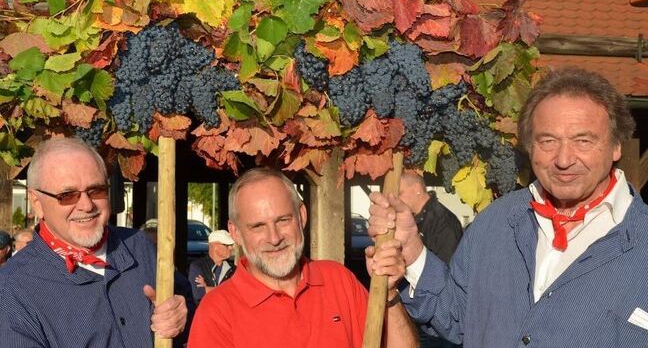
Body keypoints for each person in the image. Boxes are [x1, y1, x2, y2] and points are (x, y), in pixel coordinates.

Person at [368, 68, 648, 347]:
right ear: (530, 146)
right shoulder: (495, 224)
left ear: (616, 145)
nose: (564, 159)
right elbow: (456, 316)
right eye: (548, 141)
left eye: (583, 141)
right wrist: (414, 252)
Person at [188, 168, 418, 348]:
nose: (274, 237)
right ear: (236, 232)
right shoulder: (216, 312)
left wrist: (388, 293)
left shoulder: (339, 280)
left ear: (302, 216)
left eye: (283, 220)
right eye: (258, 226)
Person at [0, 137, 190, 347]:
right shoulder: (12, 289)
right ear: (37, 203)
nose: (86, 205)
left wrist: (182, 314)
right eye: (68, 195)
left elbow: (189, 311)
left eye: (96, 190)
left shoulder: (139, 246)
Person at [398, 171, 462, 348]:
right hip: (418, 313)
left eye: (400, 193)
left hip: (436, 323)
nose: (397, 199)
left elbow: (447, 272)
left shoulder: (443, 222)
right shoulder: (417, 219)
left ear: (417, 189)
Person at [188, 229, 236, 304]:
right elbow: (198, 294)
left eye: (231, 245)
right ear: (214, 246)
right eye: (227, 245)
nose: (231, 248)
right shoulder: (197, 266)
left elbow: (238, 294)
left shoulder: (234, 269)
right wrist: (228, 290)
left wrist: (207, 289)